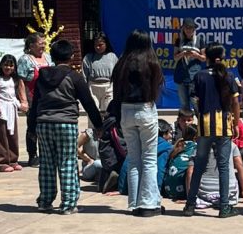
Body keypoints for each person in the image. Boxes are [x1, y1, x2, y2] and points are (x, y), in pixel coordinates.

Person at [28, 39, 103, 215]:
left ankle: (45, 201)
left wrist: (32, 128)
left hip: (44, 124)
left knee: (47, 163)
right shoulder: (74, 77)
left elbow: (35, 104)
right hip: (66, 124)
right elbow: (88, 102)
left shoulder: (42, 76)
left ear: (52, 56)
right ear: (71, 56)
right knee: (67, 162)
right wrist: (99, 125)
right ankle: (68, 204)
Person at [183, 43, 242, 219]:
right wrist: (236, 123)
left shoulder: (199, 76)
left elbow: (194, 99)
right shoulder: (228, 76)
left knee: (199, 166)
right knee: (224, 167)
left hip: (205, 127)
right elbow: (235, 102)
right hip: (224, 126)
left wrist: (200, 114)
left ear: (206, 58)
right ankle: (224, 207)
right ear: (222, 58)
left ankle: (190, 205)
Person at [112, 30, 165, 217]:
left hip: (126, 110)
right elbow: (157, 87)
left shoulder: (121, 64)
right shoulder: (151, 63)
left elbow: (116, 92)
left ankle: (134, 203)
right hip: (145, 109)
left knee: (133, 158)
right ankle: (148, 204)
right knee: (149, 159)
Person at [186, 137, 243, 211]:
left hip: (205, 192)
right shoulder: (232, 145)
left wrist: (189, 196)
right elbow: (240, 166)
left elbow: (190, 171)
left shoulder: (199, 147)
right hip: (229, 193)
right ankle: (224, 203)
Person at [17, 33, 52, 166]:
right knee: (33, 127)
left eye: (44, 43)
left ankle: (46, 154)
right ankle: (33, 155)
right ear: (31, 46)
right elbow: (20, 81)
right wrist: (24, 101)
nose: (43, 46)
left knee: (47, 127)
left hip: (48, 98)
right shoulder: (25, 59)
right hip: (32, 98)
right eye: (40, 43)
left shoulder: (48, 57)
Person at [0, 54, 23, 171]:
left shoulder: (14, 80)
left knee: (13, 135)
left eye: (11, 65)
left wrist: (20, 105)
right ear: (1, 65)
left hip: (11, 108)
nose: (8, 68)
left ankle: (13, 160)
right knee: (1, 135)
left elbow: (15, 95)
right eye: (6, 65)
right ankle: (2, 162)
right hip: (1, 109)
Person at [173, 18, 206, 111]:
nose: (188, 30)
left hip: (194, 76)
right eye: (186, 28)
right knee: (184, 103)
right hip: (181, 76)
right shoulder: (179, 40)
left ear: (194, 29)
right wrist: (182, 54)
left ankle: (200, 119)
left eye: (190, 28)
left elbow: (204, 58)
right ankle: (186, 120)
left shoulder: (199, 40)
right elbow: (175, 57)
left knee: (196, 102)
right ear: (183, 29)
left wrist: (196, 55)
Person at [82, 32, 118, 112]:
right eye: (95, 45)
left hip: (108, 88)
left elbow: (117, 74)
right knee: (93, 112)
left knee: (107, 112)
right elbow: (84, 76)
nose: (97, 47)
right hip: (92, 88)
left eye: (100, 45)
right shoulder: (88, 57)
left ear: (106, 44)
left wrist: (113, 87)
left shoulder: (112, 57)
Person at [162, 123, 198, 201]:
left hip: (168, 190)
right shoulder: (196, 147)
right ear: (196, 137)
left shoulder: (178, 146)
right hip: (183, 192)